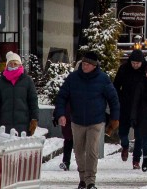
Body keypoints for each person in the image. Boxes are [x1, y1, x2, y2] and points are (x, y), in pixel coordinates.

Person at [53, 48, 119, 189]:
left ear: (94, 66)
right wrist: (60, 114)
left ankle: (90, 181)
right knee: (78, 151)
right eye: (83, 63)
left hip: (96, 121)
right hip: (77, 121)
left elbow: (113, 99)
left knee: (91, 150)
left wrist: (114, 118)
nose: (84, 66)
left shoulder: (103, 79)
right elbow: (62, 96)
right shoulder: (73, 78)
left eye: (87, 64)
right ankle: (82, 178)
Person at [0, 52, 39, 136]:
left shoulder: (27, 80)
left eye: (15, 63)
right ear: (7, 65)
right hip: (4, 125)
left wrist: (34, 119)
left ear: (20, 65)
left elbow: (33, 101)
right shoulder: (1, 81)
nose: (13, 66)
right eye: (10, 63)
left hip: (23, 125)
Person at [112, 48, 145, 161]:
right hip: (125, 104)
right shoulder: (124, 69)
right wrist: (119, 98)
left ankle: (136, 159)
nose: (135, 65)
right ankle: (125, 146)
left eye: (137, 63)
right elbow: (116, 85)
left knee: (139, 136)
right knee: (122, 133)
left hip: (140, 107)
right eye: (133, 63)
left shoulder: (145, 70)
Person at [54, 99, 74, 172]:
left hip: (75, 118)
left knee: (71, 141)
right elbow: (60, 102)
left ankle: (83, 163)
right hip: (67, 119)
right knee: (68, 140)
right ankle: (66, 162)